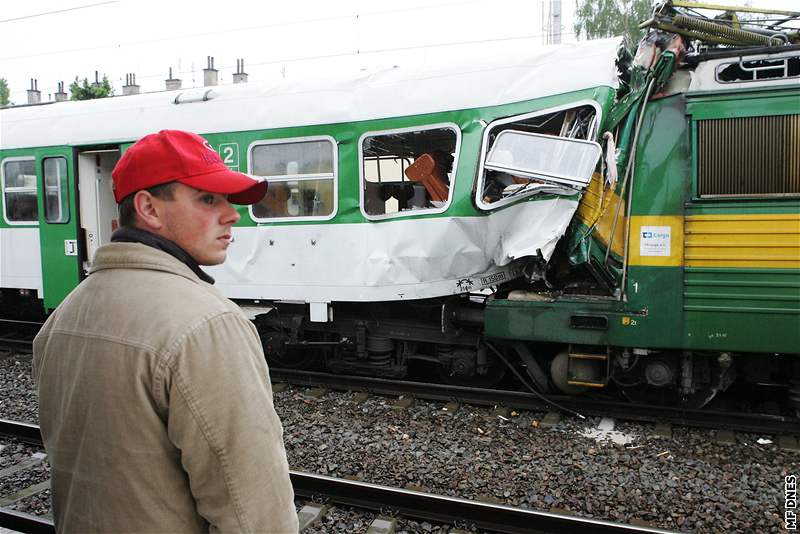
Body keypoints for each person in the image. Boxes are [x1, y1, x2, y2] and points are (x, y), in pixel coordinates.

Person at [32, 130, 299, 533]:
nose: (232, 215)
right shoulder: (206, 325)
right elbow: (255, 515)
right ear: (149, 209)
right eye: (208, 199)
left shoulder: (63, 318)